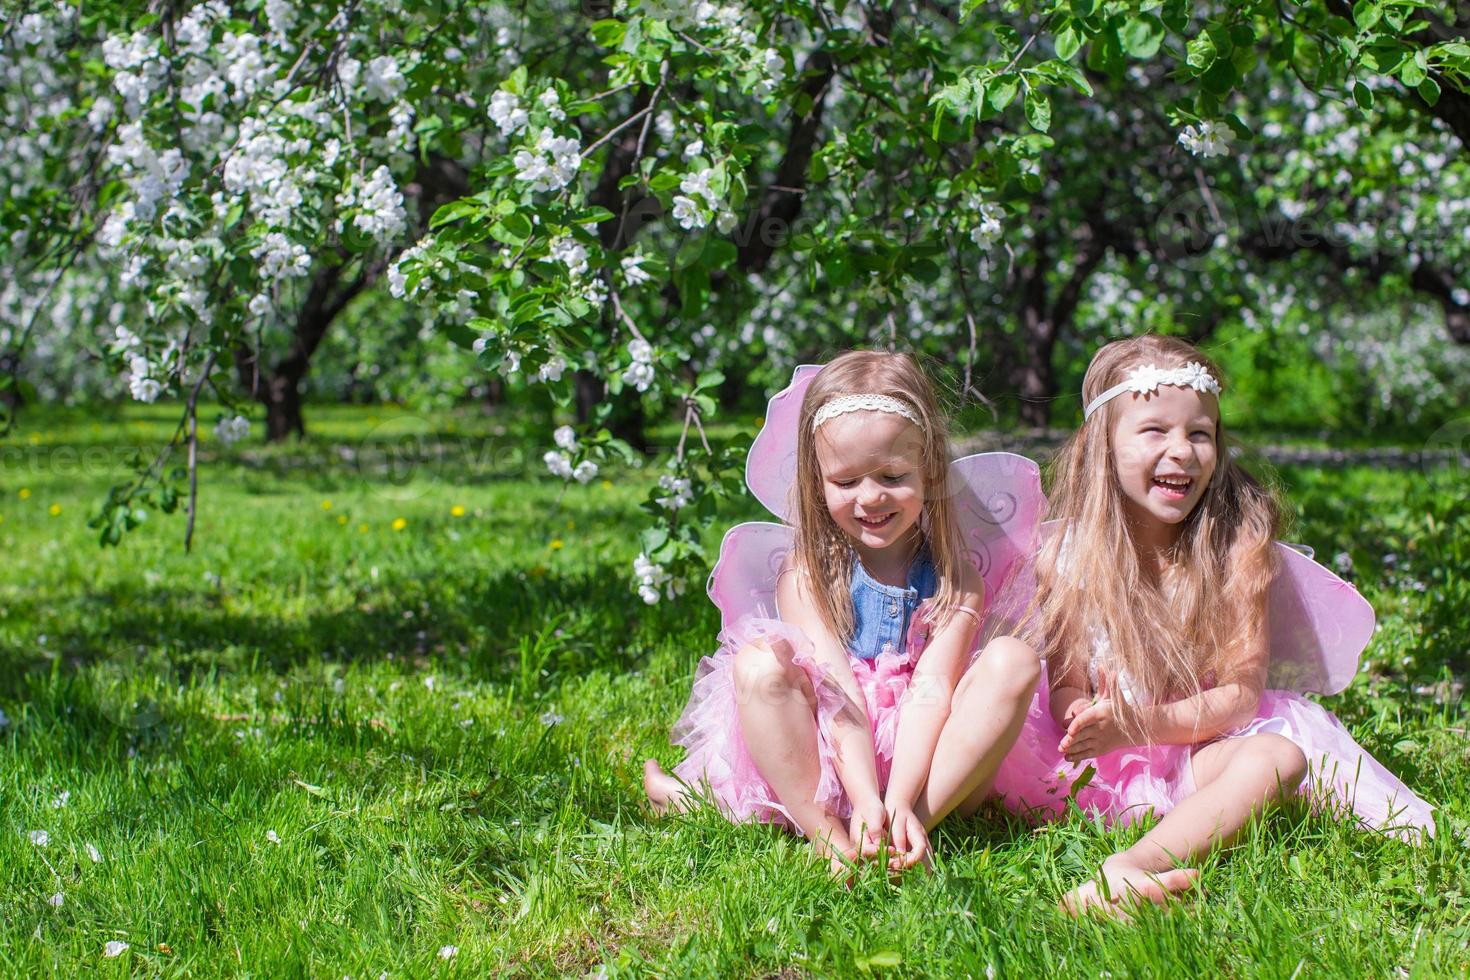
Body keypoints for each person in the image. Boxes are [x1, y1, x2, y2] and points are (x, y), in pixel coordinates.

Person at [991, 335, 1435, 917]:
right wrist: (1079, 712)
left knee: (1279, 759)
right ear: (1104, 445)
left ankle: (1127, 868)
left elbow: (1240, 697)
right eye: (1155, 431)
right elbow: (1068, 679)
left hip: (1201, 745)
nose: (1183, 451)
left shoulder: (1234, 549)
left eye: (1200, 434)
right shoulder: (1071, 556)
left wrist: (1141, 725)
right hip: (1104, 764)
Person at [644, 351, 1043, 876]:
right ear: (818, 482)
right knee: (759, 666)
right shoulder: (808, 575)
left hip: (927, 764)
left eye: (893, 475)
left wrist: (897, 799)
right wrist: (860, 794)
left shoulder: (954, 577)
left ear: (927, 471)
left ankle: (905, 831)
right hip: (829, 757)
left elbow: (931, 691)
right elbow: (837, 694)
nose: (870, 497)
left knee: (1012, 659)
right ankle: (829, 834)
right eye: (846, 481)